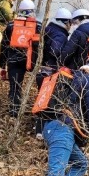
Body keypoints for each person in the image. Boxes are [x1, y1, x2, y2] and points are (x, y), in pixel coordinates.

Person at [0, 0, 44, 118]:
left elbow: (4, 45)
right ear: (32, 11)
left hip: (14, 61)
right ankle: (39, 112)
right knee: (40, 86)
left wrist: (2, 64)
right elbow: (42, 46)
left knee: (15, 86)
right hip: (32, 61)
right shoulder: (38, 25)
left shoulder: (11, 25)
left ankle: (14, 112)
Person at [33, 7, 72, 137]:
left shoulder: (48, 30)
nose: (70, 26)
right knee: (49, 102)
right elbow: (55, 51)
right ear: (65, 22)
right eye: (69, 23)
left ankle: (38, 128)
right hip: (50, 71)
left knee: (41, 99)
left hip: (41, 69)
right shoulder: (60, 34)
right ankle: (43, 131)